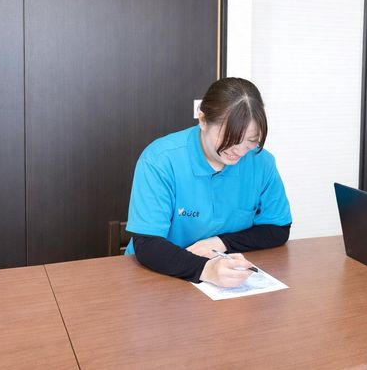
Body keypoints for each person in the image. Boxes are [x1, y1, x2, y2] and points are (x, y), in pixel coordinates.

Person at [125, 77, 292, 287]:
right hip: (157, 274)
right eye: (230, 138)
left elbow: (278, 228)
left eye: (251, 141)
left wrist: (222, 242)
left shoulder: (261, 161)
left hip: (226, 275)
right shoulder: (160, 160)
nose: (240, 151)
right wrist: (205, 269)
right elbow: (148, 245)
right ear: (203, 120)